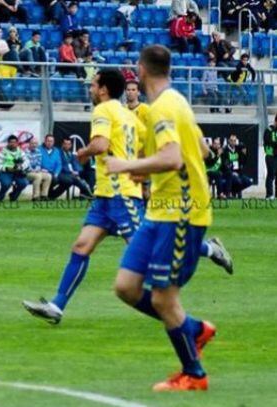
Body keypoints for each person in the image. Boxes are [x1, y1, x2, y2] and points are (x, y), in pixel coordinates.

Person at [25, 67, 233, 326]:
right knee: (81, 246)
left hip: (122, 195)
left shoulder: (103, 110)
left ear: (103, 89)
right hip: (104, 196)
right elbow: (148, 150)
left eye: (92, 85)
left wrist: (83, 154)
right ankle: (57, 305)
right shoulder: (130, 116)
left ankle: (207, 255)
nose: (89, 89)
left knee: (153, 249)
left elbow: (100, 145)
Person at [105, 45, 228, 391]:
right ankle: (193, 329)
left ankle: (194, 375)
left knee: (162, 298)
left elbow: (173, 158)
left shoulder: (160, 109)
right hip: (160, 210)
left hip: (181, 212)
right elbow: (201, 151)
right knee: (127, 287)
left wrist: (128, 166)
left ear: (140, 70)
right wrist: (152, 173)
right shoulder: (177, 101)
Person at [0, 135, 29, 201]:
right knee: (6, 183)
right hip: (4, 172)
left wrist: (21, 167)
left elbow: (27, 162)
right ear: (8, 143)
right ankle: (0, 197)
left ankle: (13, 195)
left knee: (24, 183)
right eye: (11, 142)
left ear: (17, 143)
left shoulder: (20, 152)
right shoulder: (3, 152)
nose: (13, 144)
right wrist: (7, 168)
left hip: (17, 172)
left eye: (14, 142)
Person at [221, 133, 252, 198]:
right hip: (228, 173)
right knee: (235, 179)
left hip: (238, 172)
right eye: (231, 140)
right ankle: (228, 194)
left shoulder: (238, 149)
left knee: (248, 181)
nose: (233, 142)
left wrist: (245, 154)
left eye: (234, 140)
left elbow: (243, 162)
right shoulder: (225, 150)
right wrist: (232, 172)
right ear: (229, 141)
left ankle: (235, 191)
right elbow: (224, 164)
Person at [264, 113, 277, 199]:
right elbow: (269, 142)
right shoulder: (269, 130)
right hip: (270, 155)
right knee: (271, 174)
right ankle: (269, 194)